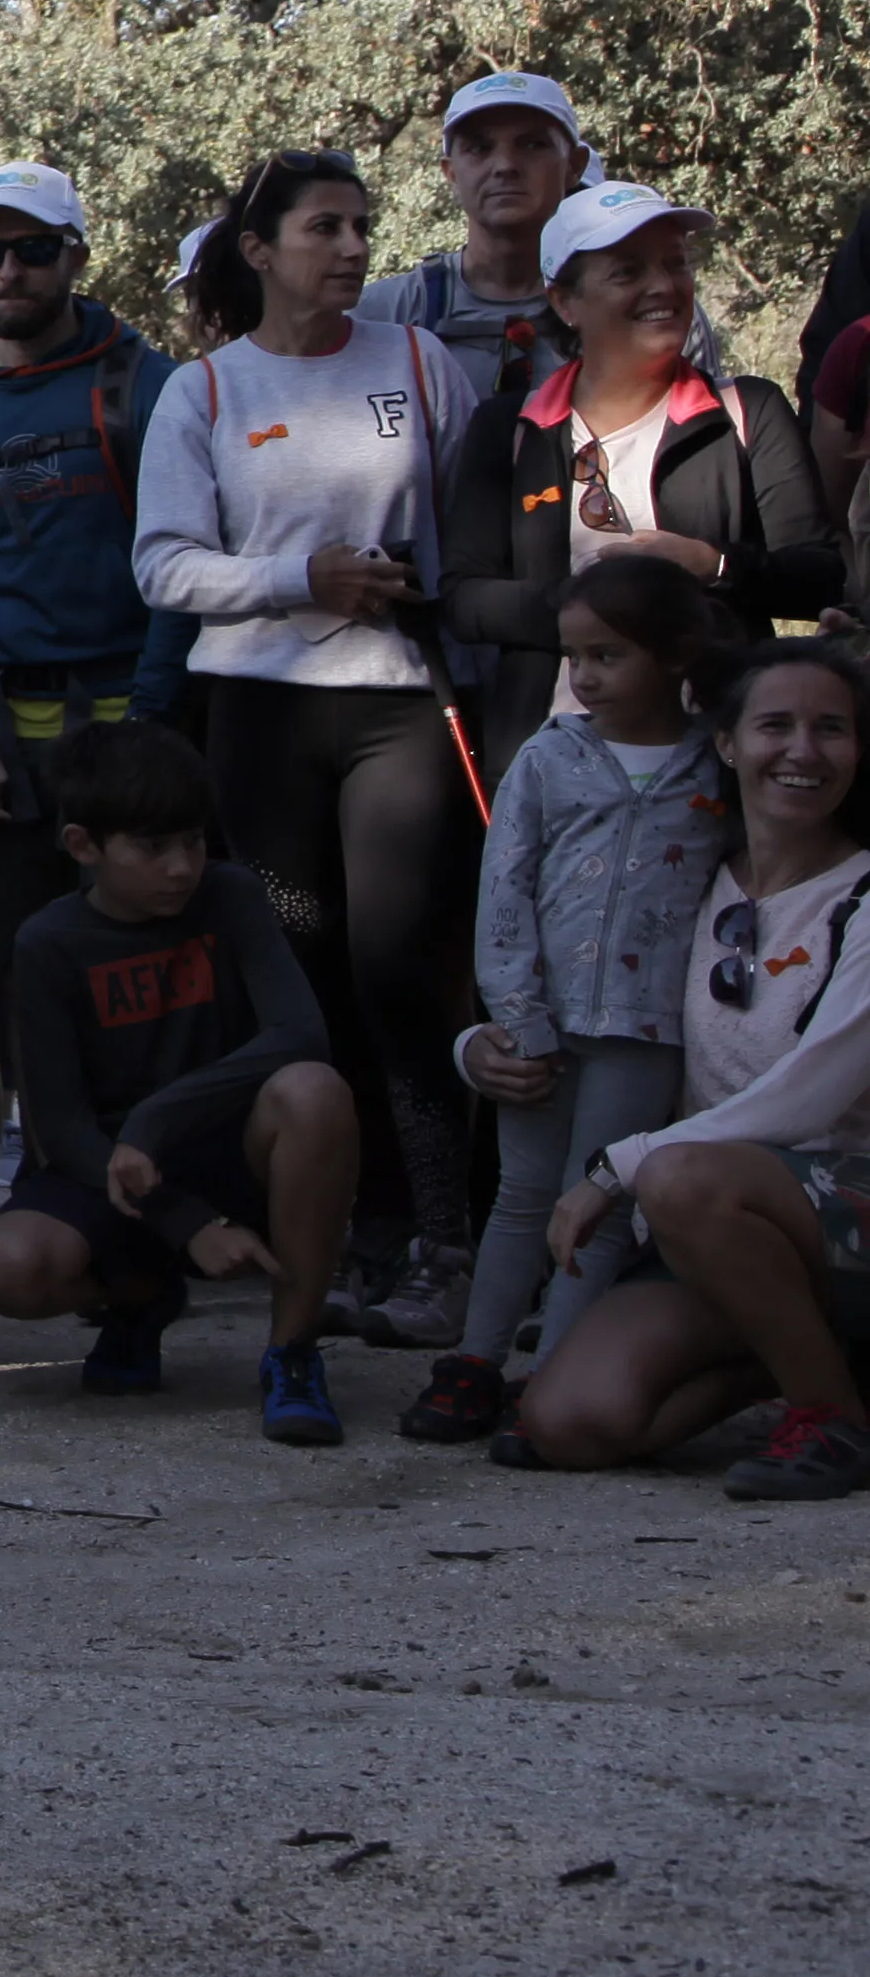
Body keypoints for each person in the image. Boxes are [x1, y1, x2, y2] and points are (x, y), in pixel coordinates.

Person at [129, 150, 491, 1342]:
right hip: (261, 712)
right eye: (324, 227)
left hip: (398, 705)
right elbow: (165, 564)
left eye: (362, 227)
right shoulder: (207, 391)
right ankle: (342, 1237)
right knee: (304, 978)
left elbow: (471, 527)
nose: (349, 249)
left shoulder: (421, 363)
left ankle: (449, 1244)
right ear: (260, 247)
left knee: (403, 973)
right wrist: (300, 578)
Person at [506, 639, 870, 1499]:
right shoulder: (691, 881)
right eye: (775, 725)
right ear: (728, 743)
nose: (803, 751)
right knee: (572, 1423)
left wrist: (624, 1164)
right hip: (713, 1224)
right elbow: (596, 999)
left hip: (823, 1203)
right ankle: (819, 1358)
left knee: (682, 1178)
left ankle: (832, 1416)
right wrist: (482, 1042)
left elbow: (815, 1087)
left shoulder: (863, 895)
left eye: (833, 729)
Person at [0, 160, 189, 1209]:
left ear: (76, 254)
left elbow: (181, 568)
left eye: (30, 249)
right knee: (10, 971)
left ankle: (162, 1174)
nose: (6, 271)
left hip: (131, 720)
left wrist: (154, 721)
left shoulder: (149, 387)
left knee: (159, 953)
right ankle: (24, 1179)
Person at [0, 723, 360, 1443]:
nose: (181, 866)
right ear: (85, 845)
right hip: (104, 1170)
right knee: (8, 1269)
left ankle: (294, 1352)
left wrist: (156, 1119)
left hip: (227, 1145)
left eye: (192, 840)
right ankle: (142, 1297)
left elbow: (300, 1034)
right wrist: (188, 1223)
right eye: (153, 848)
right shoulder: (48, 942)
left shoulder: (231, 896)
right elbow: (59, 1128)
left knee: (314, 1090)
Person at [433, 556, 733, 1444]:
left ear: (676, 655)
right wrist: (515, 1013)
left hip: (649, 1030)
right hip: (543, 1025)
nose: (586, 676)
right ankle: (477, 1361)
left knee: (597, 1205)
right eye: (575, 655)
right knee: (522, 1195)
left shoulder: (714, 765)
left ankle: (555, 1376)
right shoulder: (549, 755)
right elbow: (504, 886)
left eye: (609, 655)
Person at [440, 178, 835, 770]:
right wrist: (598, 610)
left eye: (675, 264)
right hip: (553, 757)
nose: (663, 286)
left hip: (718, 754)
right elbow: (464, 600)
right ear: (564, 302)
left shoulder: (748, 410)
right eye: (628, 272)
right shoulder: (510, 427)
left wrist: (714, 565)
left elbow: (821, 575)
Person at [361, 70, 607, 407]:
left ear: (575, 166)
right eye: (479, 148)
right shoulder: (383, 317)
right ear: (450, 172)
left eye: (533, 144)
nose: (505, 165)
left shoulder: (630, 308)